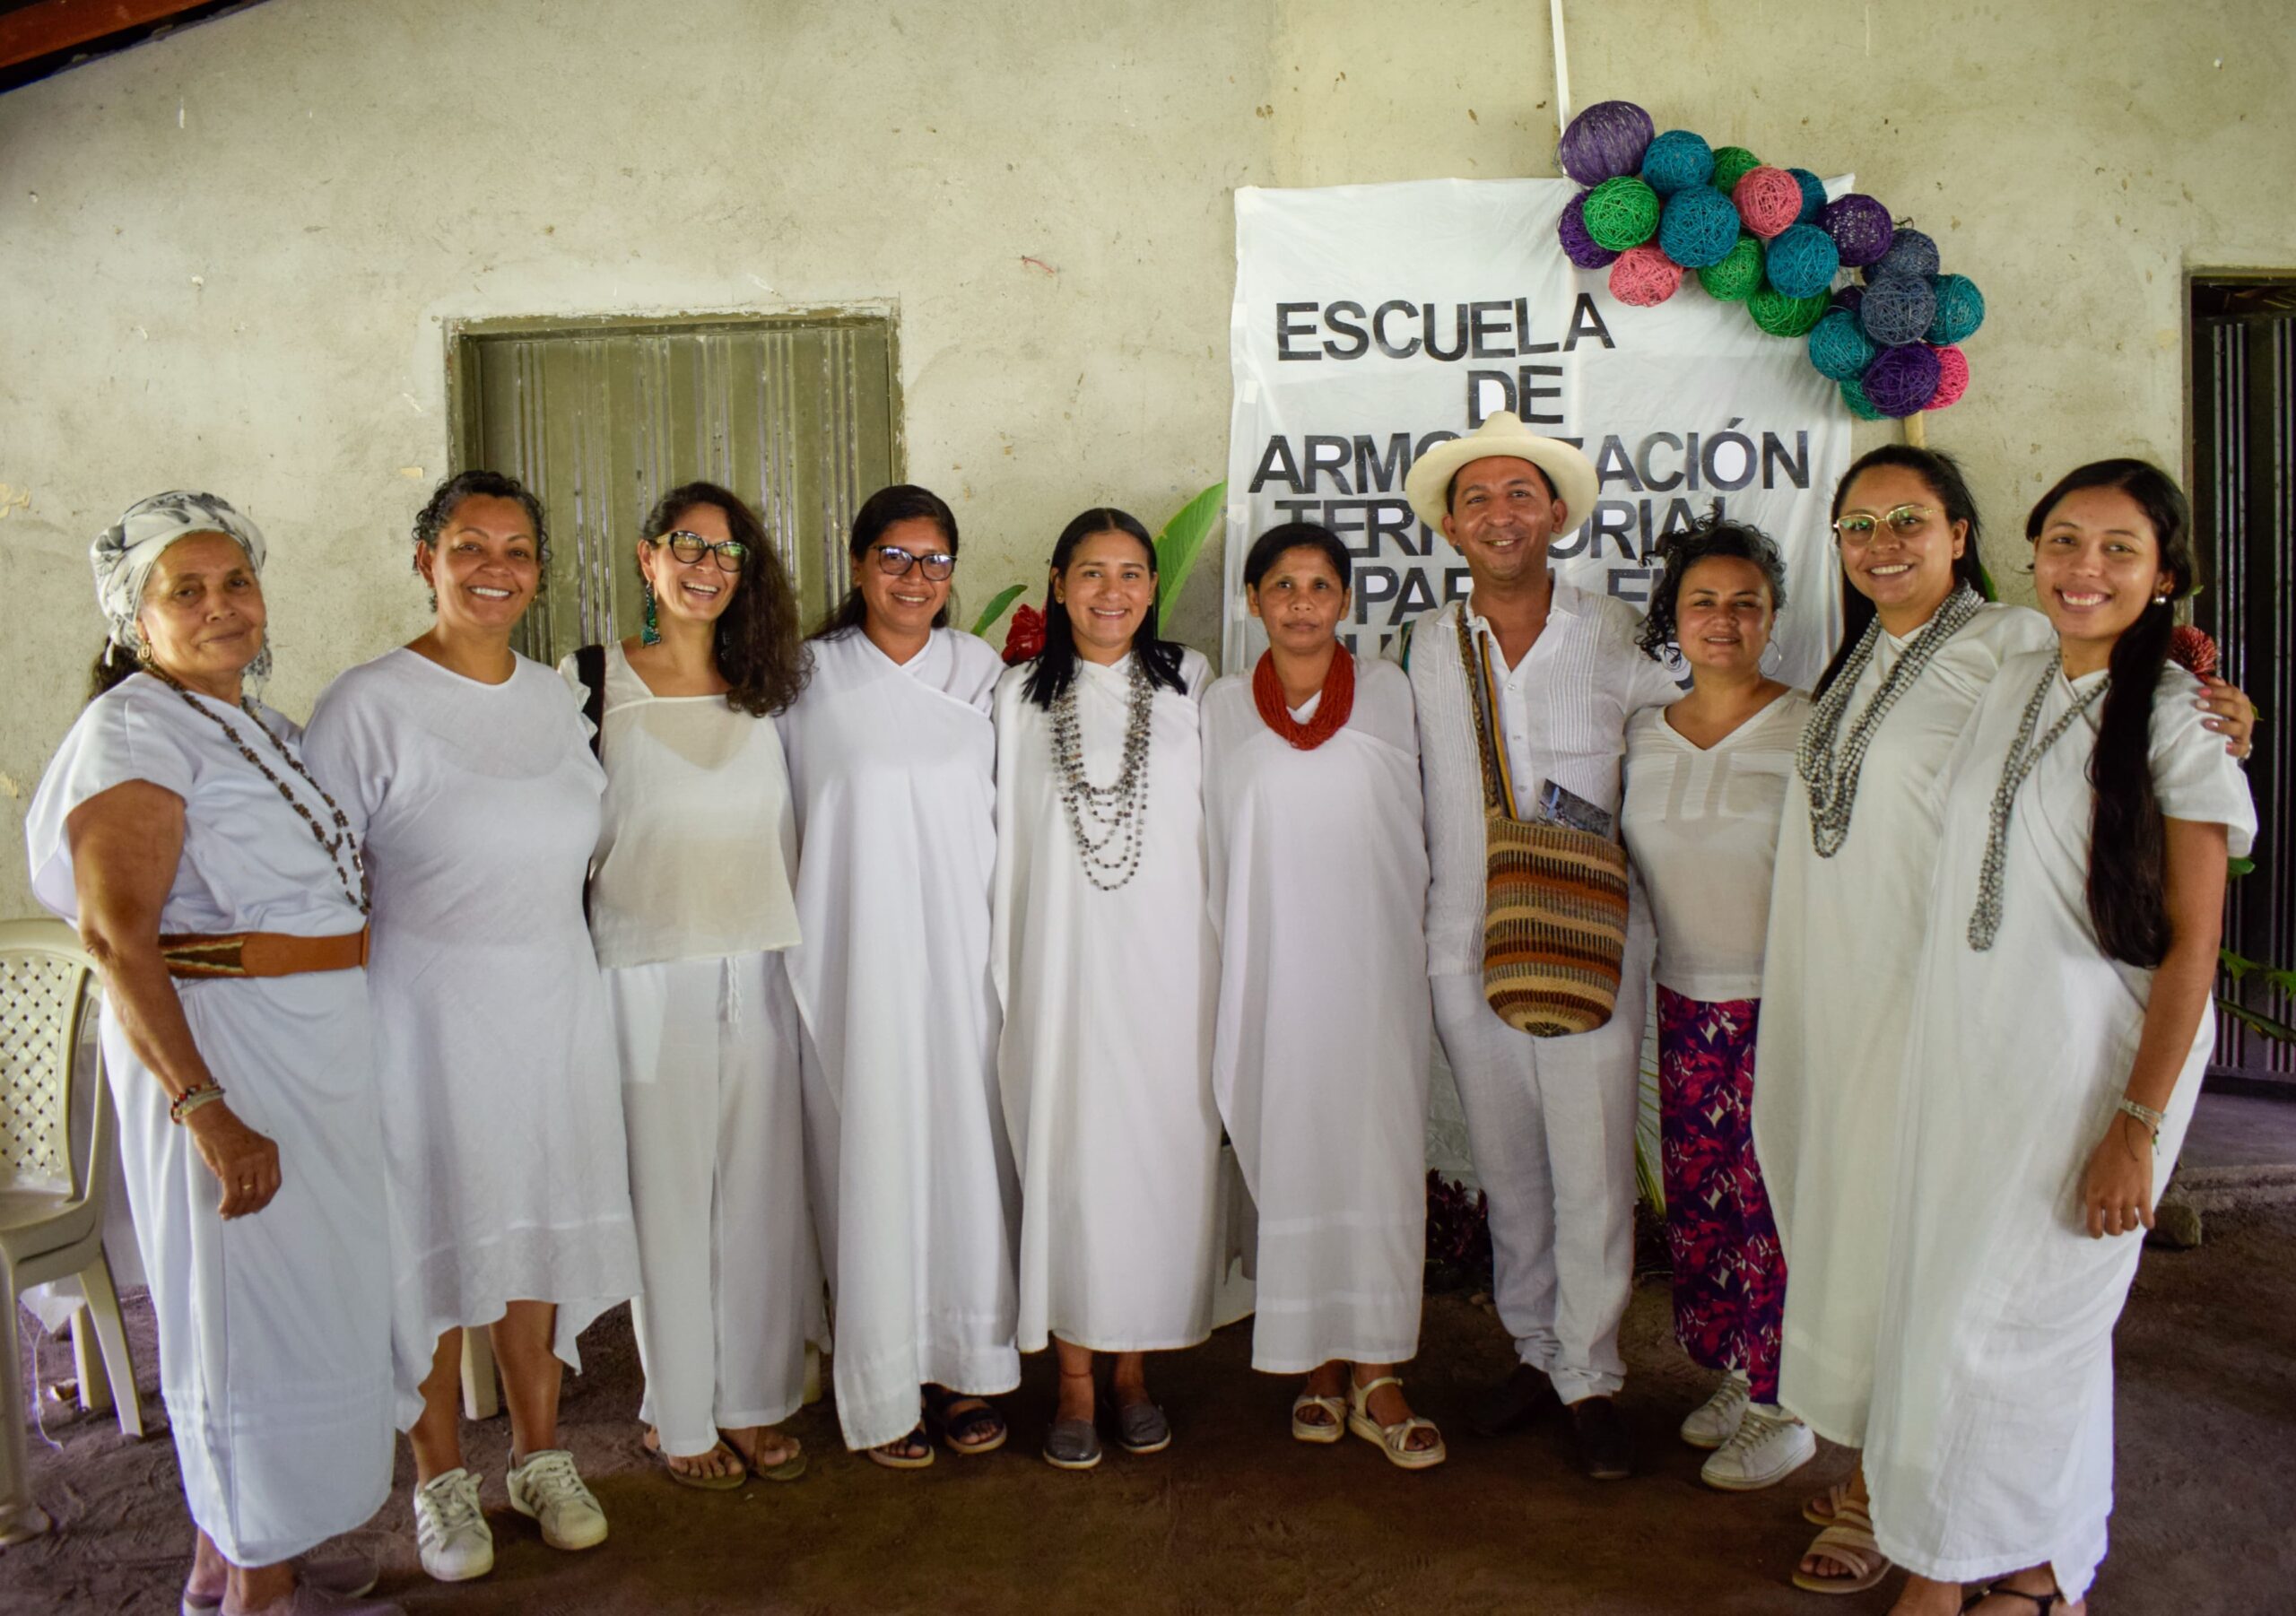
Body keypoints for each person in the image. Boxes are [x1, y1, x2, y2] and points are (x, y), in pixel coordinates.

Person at [1751, 446, 2254, 1595]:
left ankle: (2003, 1563)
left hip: (2083, 1057)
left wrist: (2136, 1115)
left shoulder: (2039, 657)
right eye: (2067, 545)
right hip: (1966, 1039)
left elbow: (2190, 935)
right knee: (1963, 1310)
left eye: (2118, 548)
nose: (2083, 569)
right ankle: (1973, 1536)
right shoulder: (2023, 673)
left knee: (2017, 1317)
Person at [26, 493, 401, 1615]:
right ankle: (256, 1583)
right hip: (229, 1049)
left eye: (234, 581)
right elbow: (114, 936)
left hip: (311, 1045)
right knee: (247, 1321)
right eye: (183, 591)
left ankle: (236, 1553)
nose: (219, 605)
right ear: (134, 622)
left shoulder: (254, 724)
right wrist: (206, 1107)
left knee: (308, 1310)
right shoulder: (133, 729)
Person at [305, 471, 640, 1584]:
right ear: (425, 560)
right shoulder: (368, 702)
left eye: (516, 549)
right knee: (434, 1237)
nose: (494, 567)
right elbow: (318, 882)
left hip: (551, 1000)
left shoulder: (556, 698)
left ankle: (541, 1456)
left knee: (534, 1222)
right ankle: (441, 1475)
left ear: (539, 570)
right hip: (422, 1010)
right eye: (467, 546)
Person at [1394, 412, 1683, 1481]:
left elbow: (1715, 716)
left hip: (1591, 943)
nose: (1499, 512)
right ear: (1451, 526)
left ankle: (1592, 1373)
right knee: (1508, 1163)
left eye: (1520, 493)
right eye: (1477, 498)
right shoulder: (1426, 644)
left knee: (1593, 1160)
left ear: (1556, 513)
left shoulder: (1616, 633)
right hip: (1461, 942)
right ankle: (1532, 1345)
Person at [560, 482, 813, 1490]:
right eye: (687, 545)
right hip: (645, 970)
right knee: (667, 1201)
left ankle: (751, 1401)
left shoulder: (773, 687)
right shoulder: (589, 685)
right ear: (646, 557)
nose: (707, 567)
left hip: (757, 962)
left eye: (729, 552)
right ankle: (678, 1414)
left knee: (757, 1195)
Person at [778, 483, 1021, 1468]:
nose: (914, 578)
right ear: (856, 564)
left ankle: (967, 1363)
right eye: (894, 557)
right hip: (851, 961)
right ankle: (883, 1382)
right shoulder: (805, 677)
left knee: (966, 1158)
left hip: (964, 960)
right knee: (871, 1159)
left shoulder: (984, 671)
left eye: (933, 561)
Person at [1202, 522, 1442, 1469]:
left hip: (1374, 974)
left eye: (1318, 585)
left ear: (1345, 600)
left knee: (1375, 1155)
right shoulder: (1221, 706)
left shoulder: (1392, 692)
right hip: (1272, 974)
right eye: (1281, 585)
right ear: (1253, 600)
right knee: (1294, 1148)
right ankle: (1314, 1358)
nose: (1300, 602)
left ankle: (1378, 1368)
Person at [993, 507, 1222, 1471]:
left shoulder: (1191, 682)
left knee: (1151, 1164)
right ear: (1056, 582)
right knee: (1069, 1161)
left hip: (1167, 972)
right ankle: (1076, 1380)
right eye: (1092, 572)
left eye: (1132, 572)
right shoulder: (1010, 697)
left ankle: (1134, 1372)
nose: (1113, 591)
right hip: (1058, 971)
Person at [1617, 513, 1815, 1492]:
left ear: (1773, 616)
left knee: (1778, 1206)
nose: (1724, 618)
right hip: (1684, 1004)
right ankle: (1743, 1373)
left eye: (1747, 602)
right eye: (1703, 600)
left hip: (1787, 1007)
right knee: (1706, 1207)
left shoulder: (1812, 723)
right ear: (1673, 616)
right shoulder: (1642, 731)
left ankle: (1791, 1405)